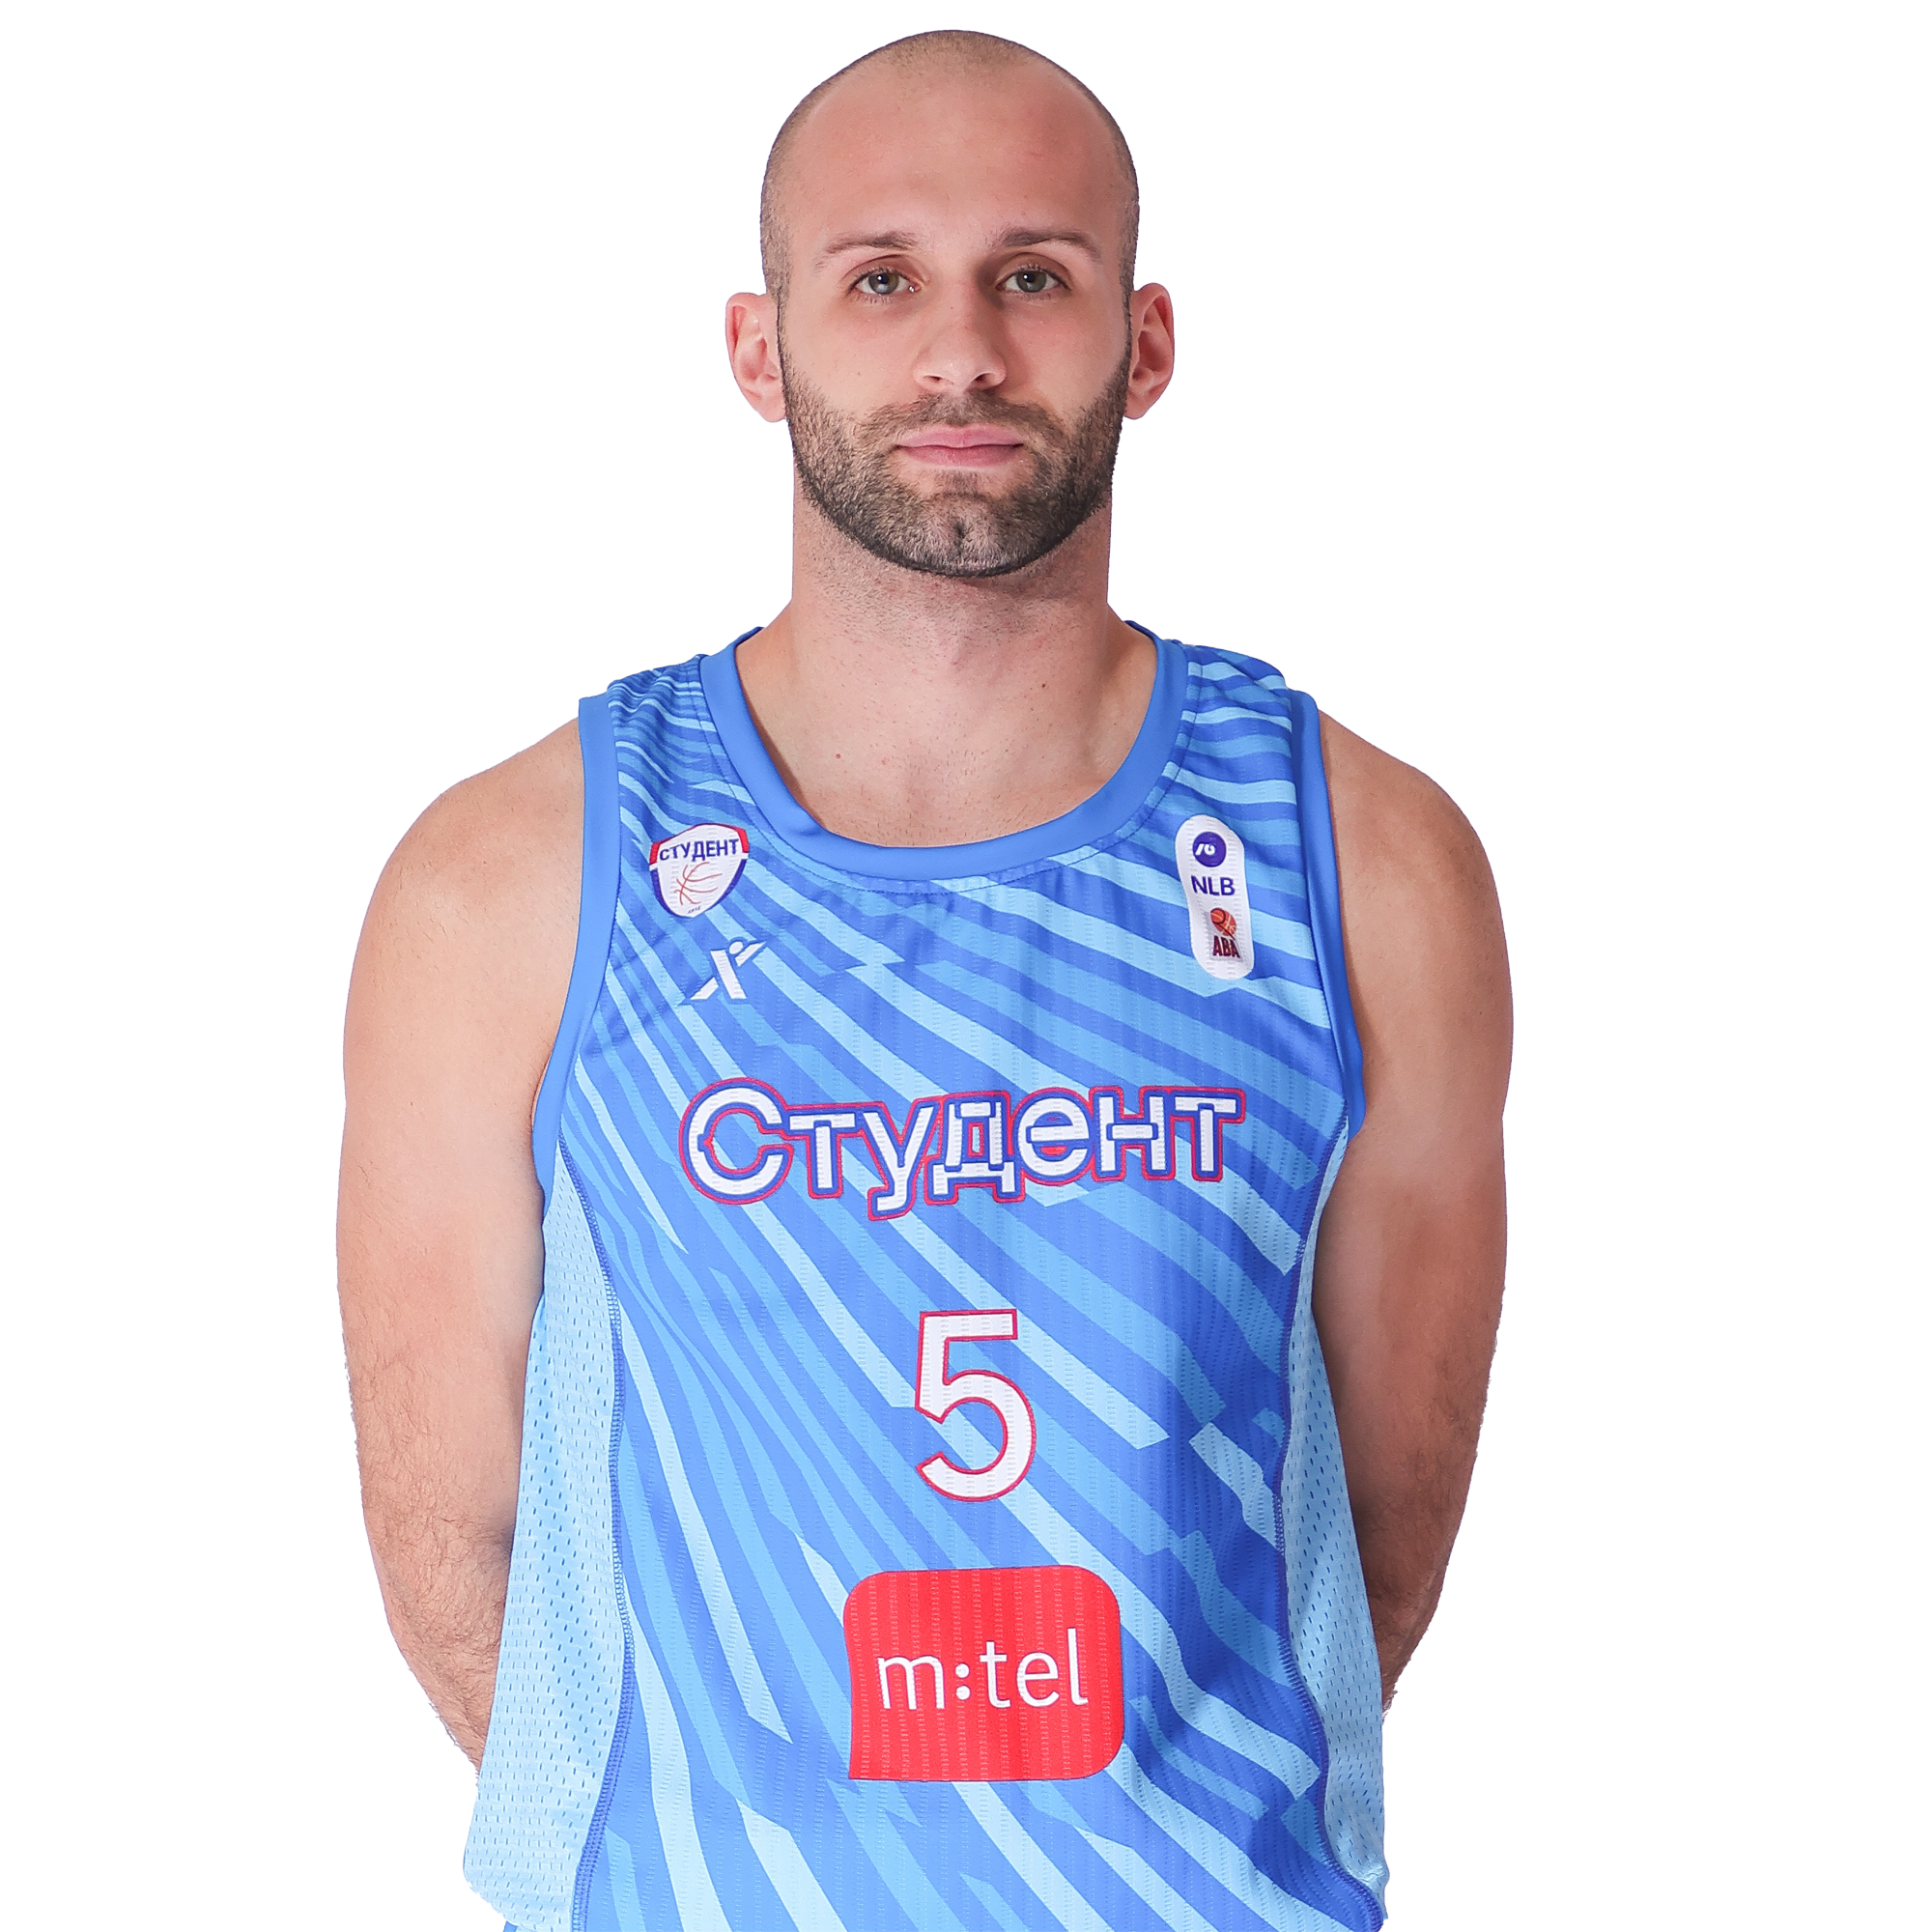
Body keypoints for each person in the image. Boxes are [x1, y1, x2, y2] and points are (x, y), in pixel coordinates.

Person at [338, 30, 1510, 1932]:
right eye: (879, 279)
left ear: (1143, 342)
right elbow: (455, 1541)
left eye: (1031, 275)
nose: (960, 352)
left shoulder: (1364, 866)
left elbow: (1385, 1516)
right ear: (758, 347)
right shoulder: (509, 881)